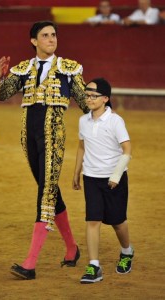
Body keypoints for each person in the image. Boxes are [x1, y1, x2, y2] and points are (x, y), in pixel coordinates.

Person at [0, 20, 89, 280]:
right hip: (29, 138)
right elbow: (2, 94)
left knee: (45, 193)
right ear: (34, 41)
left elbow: (86, 103)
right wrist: (1, 77)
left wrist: (105, 113)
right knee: (49, 190)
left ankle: (30, 263)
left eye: (53, 35)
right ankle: (72, 249)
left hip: (53, 137)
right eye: (45, 36)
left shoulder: (69, 69)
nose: (51, 39)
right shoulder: (24, 69)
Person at [72, 78, 134, 284]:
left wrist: (116, 175)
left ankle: (126, 252)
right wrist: (77, 171)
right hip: (91, 177)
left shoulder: (115, 121)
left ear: (106, 99)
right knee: (93, 220)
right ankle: (94, 265)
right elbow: (82, 146)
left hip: (113, 179)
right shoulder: (83, 120)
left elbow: (127, 150)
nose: (88, 98)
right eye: (86, 94)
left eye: (93, 95)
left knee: (117, 222)